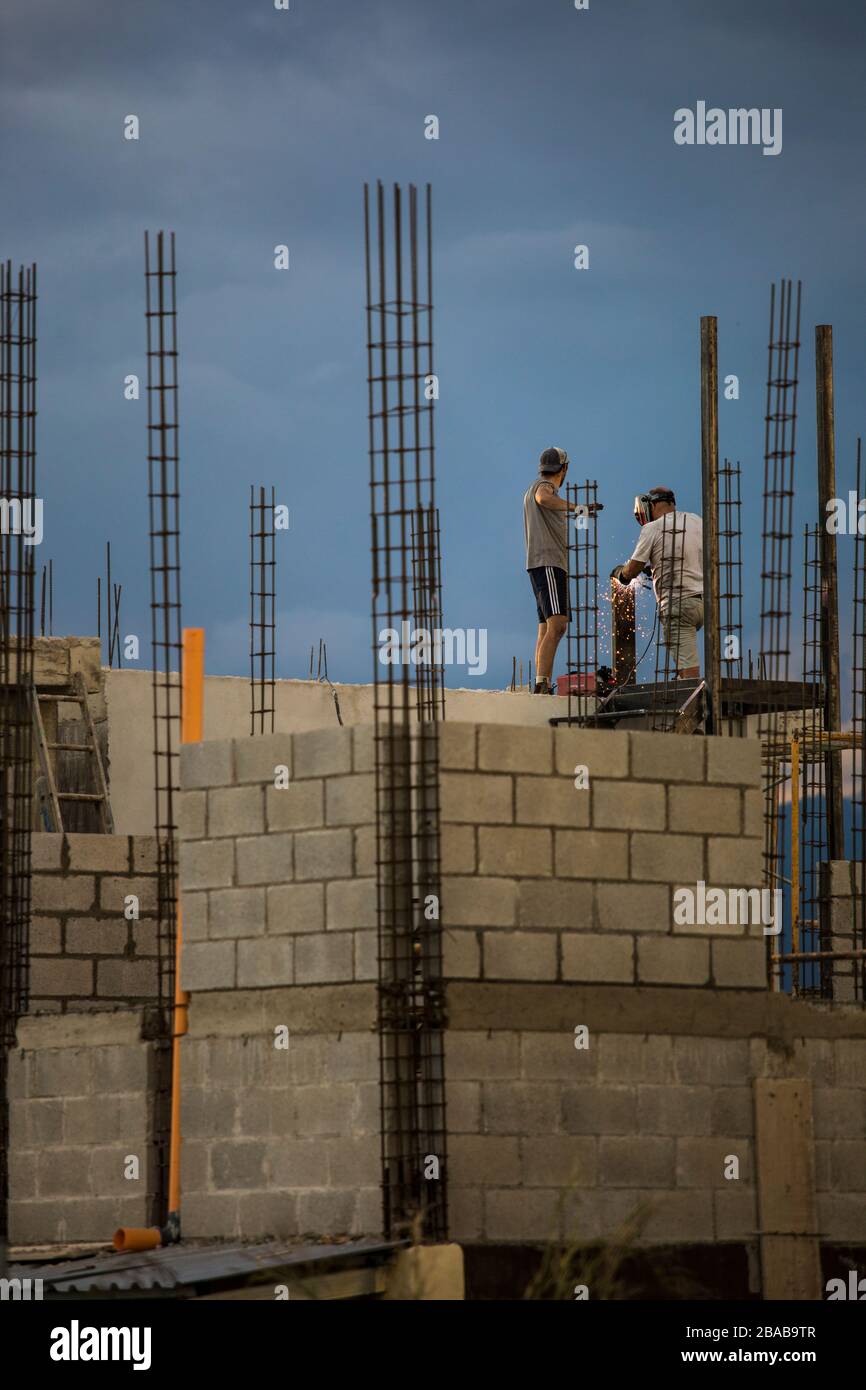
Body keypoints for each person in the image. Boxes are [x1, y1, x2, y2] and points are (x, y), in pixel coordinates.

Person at [612, 487, 703, 679]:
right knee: (690, 660)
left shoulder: (652, 528)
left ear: (651, 505)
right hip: (705, 603)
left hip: (679, 605)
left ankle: (694, 703)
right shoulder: (697, 520)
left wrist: (621, 574)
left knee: (689, 671)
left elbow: (634, 568)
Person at [523, 446, 584, 695]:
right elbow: (544, 498)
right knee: (558, 624)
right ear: (565, 468)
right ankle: (542, 684)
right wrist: (576, 507)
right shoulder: (542, 487)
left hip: (541, 564)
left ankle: (541, 681)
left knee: (546, 628)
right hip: (549, 563)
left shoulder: (538, 487)